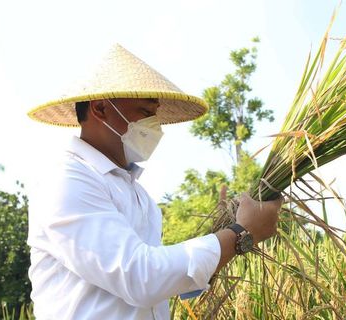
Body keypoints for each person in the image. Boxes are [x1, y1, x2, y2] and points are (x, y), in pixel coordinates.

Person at [26, 44, 283, 319]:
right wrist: (241, 234)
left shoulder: (138, 194)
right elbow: (141, 277)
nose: (155, 127)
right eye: (147, 113)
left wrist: (224, 232)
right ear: (101, 108)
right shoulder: (67, 180)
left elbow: (162, 284)